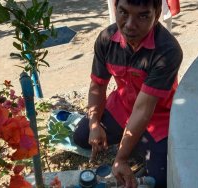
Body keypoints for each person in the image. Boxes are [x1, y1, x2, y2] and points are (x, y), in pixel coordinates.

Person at [72, 0, 183, 187]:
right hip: (121, 107)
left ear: (156, 14)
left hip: (158, 118)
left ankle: (136, 148)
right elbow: (97, 86)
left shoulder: (168, 51)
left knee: (162, 180)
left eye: (142, 16)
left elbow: (143, 110)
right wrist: (93, 124)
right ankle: (136, 146)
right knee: (82, 136)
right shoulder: (106, 39)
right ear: (115, 8)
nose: (130, 25)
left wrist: (120, 158)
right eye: (123, 13)